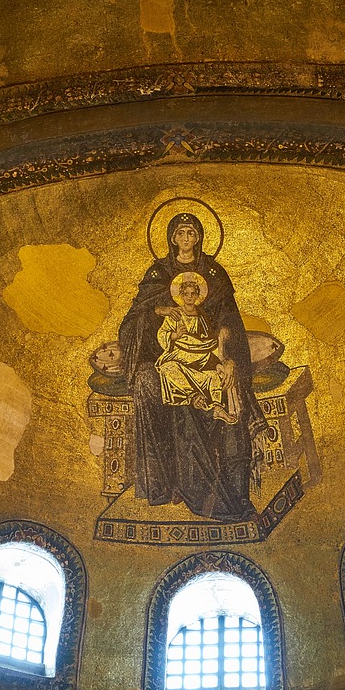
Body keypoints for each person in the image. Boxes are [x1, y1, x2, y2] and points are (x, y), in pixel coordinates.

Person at [117, 212, 265, 521]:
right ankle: (166, 483)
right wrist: (159, 310)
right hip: (169, 359)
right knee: (150, 382)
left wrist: (227, 357)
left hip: (210, 357)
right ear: (172, 238)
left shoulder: (214, 272)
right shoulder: (158, 274)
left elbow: (228, 321)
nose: (186, 239)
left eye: (192, 233)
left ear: (199, 237)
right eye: (181, 233)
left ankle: (237, 492)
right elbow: (134, 321)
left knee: (229, 388)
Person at [154, 272, 238, 425]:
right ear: (181, 295)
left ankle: (217, 408)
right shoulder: (175, 314)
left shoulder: (201, 316)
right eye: (186, 294)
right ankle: (193, 396)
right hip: (180, 354)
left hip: (201, 355)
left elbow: (208, 340)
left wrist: (219, 359)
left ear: (198, 295)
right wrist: (174, 336)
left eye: (193, 294)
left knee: (213, 376)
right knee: (167, 368)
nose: (190, 297)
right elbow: (162, 333)